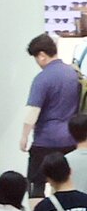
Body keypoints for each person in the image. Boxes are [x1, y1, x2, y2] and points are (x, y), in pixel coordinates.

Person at [20, 34, 82, 195]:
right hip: (70, 139)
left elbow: (33, 111)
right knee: (65, 185)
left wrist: (24, 136)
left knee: (37, 184)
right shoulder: (73, 74)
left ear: (41, 55)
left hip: (45, 141)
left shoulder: (42, 78)